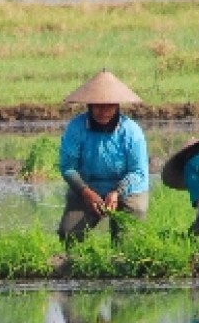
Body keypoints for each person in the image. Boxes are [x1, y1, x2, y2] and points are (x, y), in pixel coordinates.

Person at [58, 69, 149, 245]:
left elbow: (137, 171)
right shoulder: (76, 128)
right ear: (89, 106)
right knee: (69, 235)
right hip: (88, 187)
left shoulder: (131, 132)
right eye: (98, 106)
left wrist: (117, 192)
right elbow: (68, 167)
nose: (103, 111)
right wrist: (86, 192)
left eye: (109, 106)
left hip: (128, 190)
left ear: (117, 106)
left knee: (128, 241)